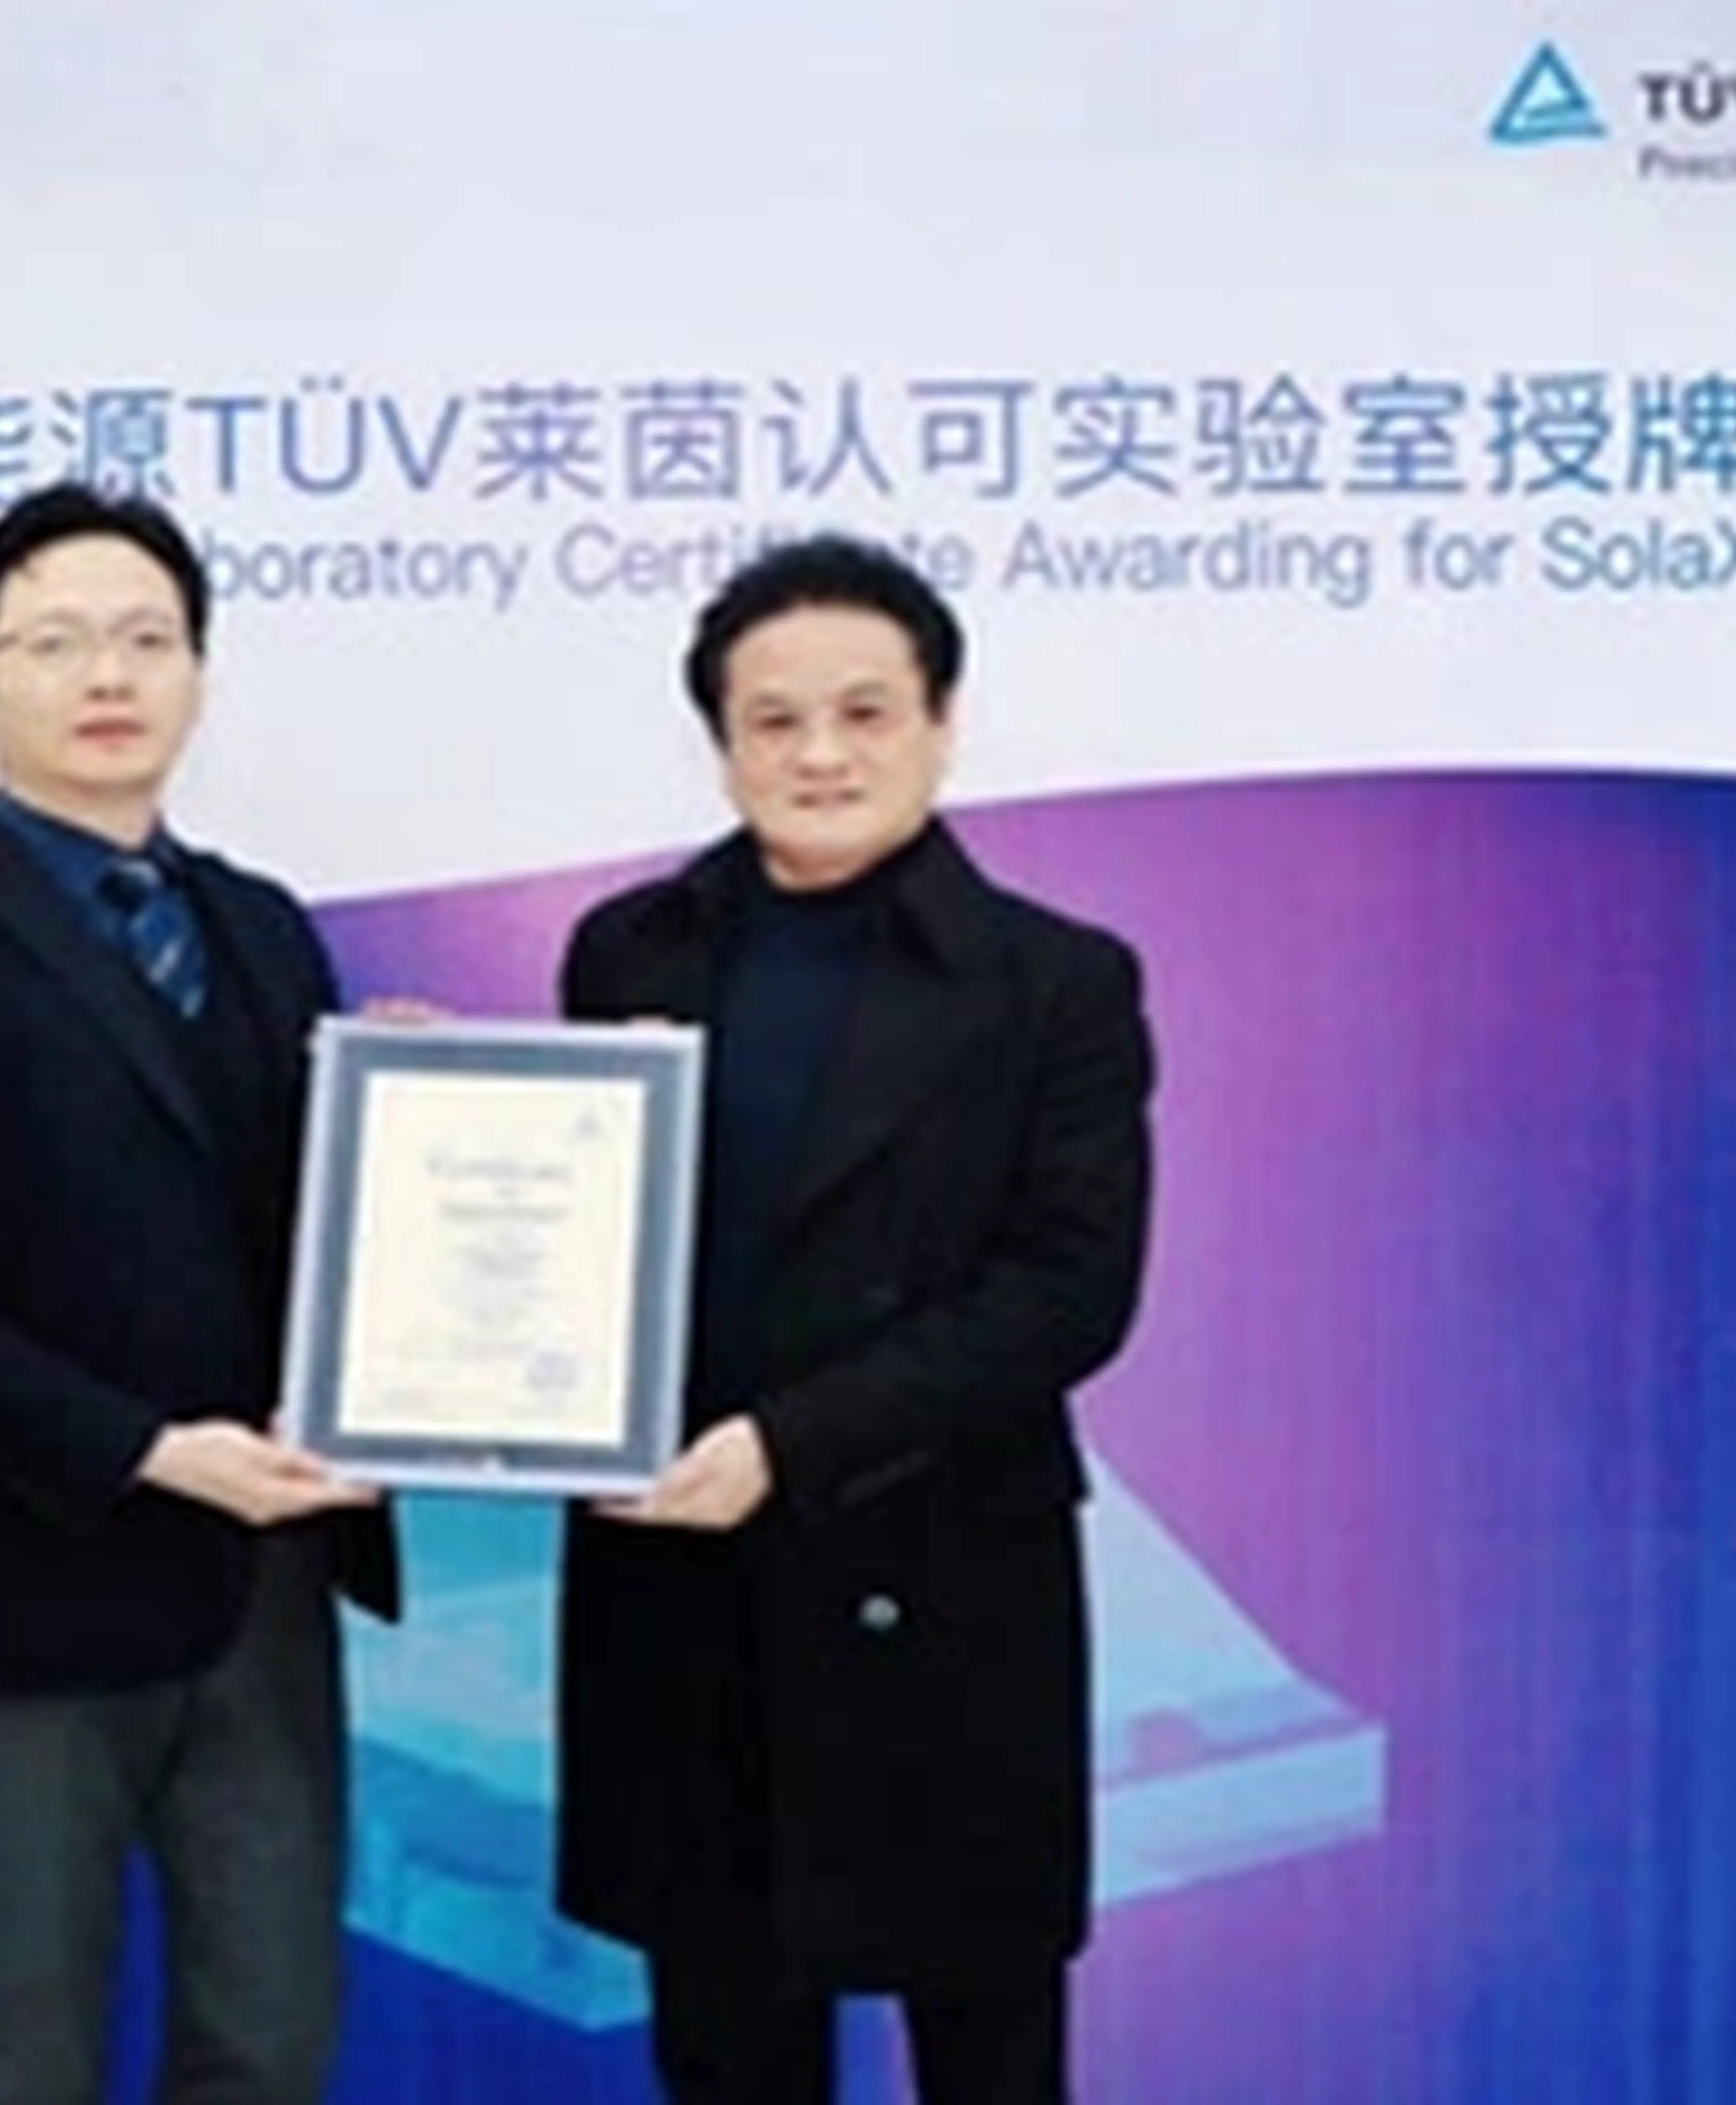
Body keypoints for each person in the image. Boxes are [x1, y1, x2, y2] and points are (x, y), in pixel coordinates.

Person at [0, 482, 397, 2105]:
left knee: (270, 2045)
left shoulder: (262, 931)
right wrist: (146, 1450)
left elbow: (319, 1231)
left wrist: (440, 1125)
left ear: (199, 672)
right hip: (25, 1586)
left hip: (263, 1586)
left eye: (146, 639)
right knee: (28, 2055)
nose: (107, 675)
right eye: (54, 643)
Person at [552, 536, 1156, 2105]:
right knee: (726, 2044)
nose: (820, 754)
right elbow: (588, 1230)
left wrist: (789, 1444)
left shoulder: (1056, 983)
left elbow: (1067, 1291)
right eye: (775, 720)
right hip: (692, 1584)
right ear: (721, 741)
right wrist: (443, 1114)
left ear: (942, 726)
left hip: (941, 1576)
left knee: (985, 2050)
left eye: (866, 713)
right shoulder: (629, 951)